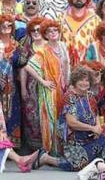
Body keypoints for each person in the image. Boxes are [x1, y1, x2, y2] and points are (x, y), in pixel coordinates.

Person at [34, 66, 105, 172]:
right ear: (75, 82)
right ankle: (47, 159)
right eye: (81, 80)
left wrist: (97, 127)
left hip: (90, 133)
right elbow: (72, 123)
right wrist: (92, 129)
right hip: (75, 137)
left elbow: (96, 113)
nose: (84, 83)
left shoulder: (90, 95)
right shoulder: (70, 97)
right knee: (80, 165)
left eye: (87, 80)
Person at [24, 19, 71, 154]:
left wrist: (68, 82)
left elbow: (67, 65)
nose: (53, 33)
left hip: (63, 88)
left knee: (63, 118)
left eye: (55, 30)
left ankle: (63, 150)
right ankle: (51, 151)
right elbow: (28, 66)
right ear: (45, 34)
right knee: (50, 119)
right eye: (49, 31)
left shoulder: (63, 46)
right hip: (49, 90)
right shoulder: (43, 51)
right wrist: (42, 81)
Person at [61, 0, 101, 67]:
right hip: (64, 64)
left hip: (87, 65)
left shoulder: (95, 19)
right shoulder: (61, 17)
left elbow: (98, 44)